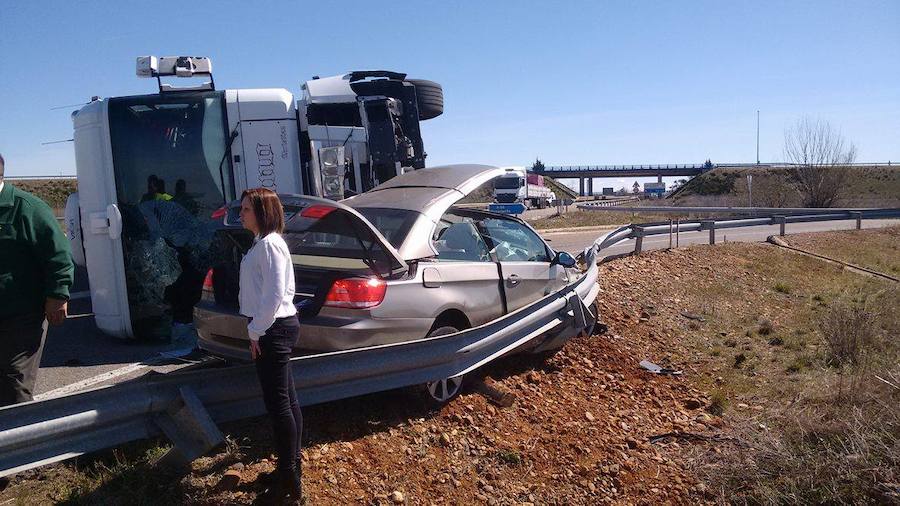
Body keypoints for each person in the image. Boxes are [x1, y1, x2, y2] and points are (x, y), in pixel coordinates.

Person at [238, 188, 303, 501]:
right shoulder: (261, 243)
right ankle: (290, 470)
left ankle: (289, 480)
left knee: (279, 406)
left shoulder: (270, 245)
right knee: (287, 402)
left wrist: (255, 330)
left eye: (247, 209)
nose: (241, 214)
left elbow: (274, 295)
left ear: (263, 212)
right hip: (273, 327)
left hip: (272, 329)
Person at [0, 153, 74, 407]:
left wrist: (57, 295)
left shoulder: (27, 209)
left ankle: (21, 442)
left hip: (21, 314)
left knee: (13, 381)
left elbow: (59, 255)